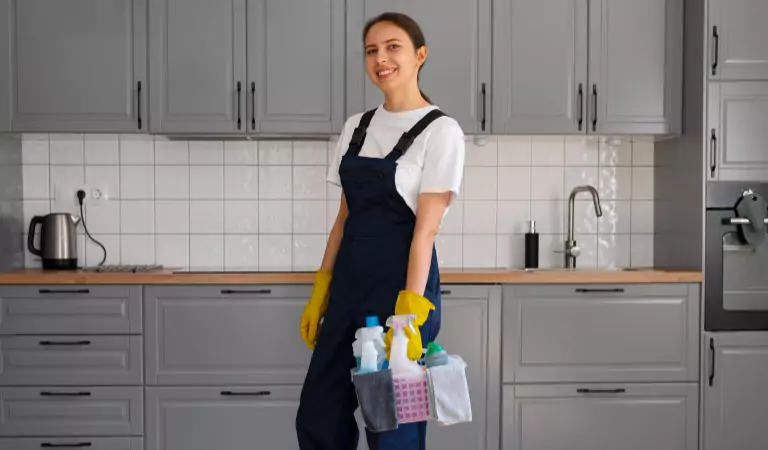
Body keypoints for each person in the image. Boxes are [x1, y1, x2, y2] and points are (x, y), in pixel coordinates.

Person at [295, 11, 465, 450]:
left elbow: (425, 231)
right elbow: (344, 219)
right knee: (318, 418)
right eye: (372, 50)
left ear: (419, 55)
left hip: (400, 294)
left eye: (393, 47)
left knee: (393, 431)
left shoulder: (441, 131)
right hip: (348, 289)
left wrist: (408, 314)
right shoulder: (357, 126)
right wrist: (321, 287)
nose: (381, 58)